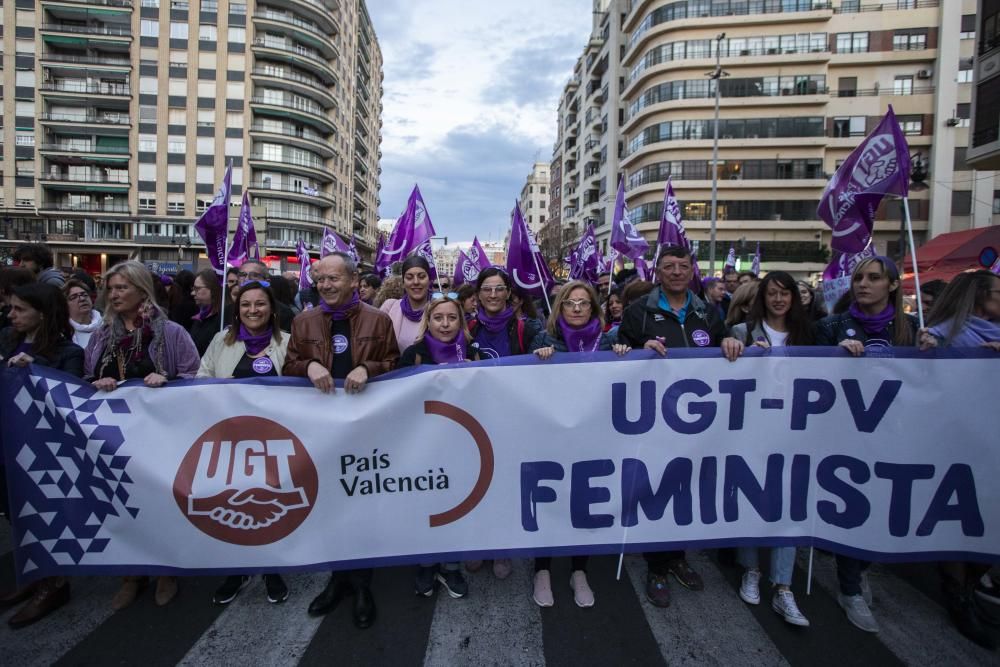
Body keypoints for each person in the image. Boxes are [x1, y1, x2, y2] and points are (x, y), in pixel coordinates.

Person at [813, 256, 934, 634]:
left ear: (893, 286)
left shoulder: (914, 329)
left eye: (874, 278)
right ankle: (850, 588)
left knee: (884, 505)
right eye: (859, 278)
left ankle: (860, 566)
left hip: (896, 435)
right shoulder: (830, 327)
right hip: (845, 436)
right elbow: (809, 380)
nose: (863, 284)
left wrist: (937, 352)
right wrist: (835, 357)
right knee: (855, 507)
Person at [283, 252, 398, 628]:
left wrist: (368, 367)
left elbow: (395, 364)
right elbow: (288, 368)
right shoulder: (303, 322)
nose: (326, 286)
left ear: (352, 280)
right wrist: (307, 365)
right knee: (329, 503)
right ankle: (338, 577)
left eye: (334, 278)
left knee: (362, 503)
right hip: (323, 431)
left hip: (367, 429)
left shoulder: (378, 320)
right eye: (321, 280)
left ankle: (362, 582)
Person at [83, 260, 200, 610]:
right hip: (117, 437)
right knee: (122, 503)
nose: (113, 294)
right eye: (110, 288)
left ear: (141, 291)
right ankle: (131, 575)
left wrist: (169, 382)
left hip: (162, 439)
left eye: (121, 288)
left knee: (161, 503)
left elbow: (195, 377)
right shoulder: (102, 334)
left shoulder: (173, 333)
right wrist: (97, 383)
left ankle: (166, 570)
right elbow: (85, 378)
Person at [617, 245, 726, 607]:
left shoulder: (708, 313)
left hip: (698, 424)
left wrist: (731, 342)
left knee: (687, 489)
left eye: (683, 266)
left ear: (692, 270)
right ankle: (657, 567)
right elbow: (616, 358)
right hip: (652, 422)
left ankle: (678, 556)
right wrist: (635, 350)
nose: (677, 272)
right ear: (657, 273)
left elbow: (724, 355)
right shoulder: (638, 313)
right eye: (669, 267)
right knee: (657, 489)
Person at [528, 280, 631, 607]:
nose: (575, 308)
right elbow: (525, 386)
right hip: (550, 436)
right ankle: (542, 570)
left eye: (583, 303)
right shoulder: (544, 339)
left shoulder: (609, 340)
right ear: (560, 306)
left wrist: (624, 355)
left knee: (585, 502)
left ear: (593, 308)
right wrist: (537, 360)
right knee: (549, 501)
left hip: (594, 438)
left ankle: (578, 571)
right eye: (569, 303)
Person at [721, 271, 814, 627]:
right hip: (754, 431)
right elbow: (728, 367)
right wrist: (735, 351)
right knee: (752, 500)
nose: (779, 299)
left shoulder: (810, 335)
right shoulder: (743, 333)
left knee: (788, 505)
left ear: (794, 298)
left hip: (795, 430)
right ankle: (751, 569)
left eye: (785, 293)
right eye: (772, 293)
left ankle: (784, 585)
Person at [198, 280, 291, 605]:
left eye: (260, 304)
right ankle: (236, 570)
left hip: (273, 442)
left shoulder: (288, 343)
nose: (253, 310)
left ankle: (271, 568)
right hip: (230, 441)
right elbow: (201, 379)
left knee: (269, 505)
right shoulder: (220, 342)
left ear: (272, 309)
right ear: (237, 311)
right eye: (246, 305)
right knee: (231, 504)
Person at [0, 281, 84, 628]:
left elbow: (71, 404)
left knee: (46, 511)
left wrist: (34, 371)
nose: (11, 314)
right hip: (8, 446)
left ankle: (54, 584)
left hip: (45, 452)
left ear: (42, 313)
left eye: (20, 309)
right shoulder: (7, 340)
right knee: (15, 511)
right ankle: (34, 573)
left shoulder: (67, 353)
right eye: (11, 308)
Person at [924, 270, 1000, 648]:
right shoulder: (942, 334)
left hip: (991, 443)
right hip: (953, 442)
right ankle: (958, 592)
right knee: (958, 519)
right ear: (979, 296)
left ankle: (970, 584)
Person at [397, 295, 479, 600]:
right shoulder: (413, 355)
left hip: (463, 445)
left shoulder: (473, 353)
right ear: (427, 321)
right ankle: (426, 563)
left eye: (452, 318)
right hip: (424, 447)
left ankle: (451, 565)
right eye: (438, 318)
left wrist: (478, 376)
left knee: (458, 504)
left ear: (461, 321)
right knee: (426, 506)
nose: (445, 324)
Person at [465, 267, 541, 578]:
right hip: (475, 419)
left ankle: (502, 547)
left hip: (512, 421)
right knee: (476, 483)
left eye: (499, 289)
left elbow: (545, 366)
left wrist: (544, 353)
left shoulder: (527, 328)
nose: (493, 295)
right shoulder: (466, 327)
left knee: (507, 483)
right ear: (478, 294)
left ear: (509, 292)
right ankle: (478, 542)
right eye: (487, 289)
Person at [380, 255, 432, 353]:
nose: (416, 282)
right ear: (403, 282)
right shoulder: (389, 307)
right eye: (409, 277)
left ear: (429, 280)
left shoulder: (440, 308)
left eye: (421, 277)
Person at [237, 260, 294, 330]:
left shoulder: (284, 313)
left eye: (254, 275)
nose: (247, 279)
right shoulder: (225, 311)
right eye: (242, 275)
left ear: (267, 281)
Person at [189, 269, 223, 356]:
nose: (193, 293)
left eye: (197, 289)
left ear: (213, 289)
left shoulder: (222, 319)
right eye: (193, 289)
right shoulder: (200, 317)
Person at [63, 278, 102, 349]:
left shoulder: (107, 325)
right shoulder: (64, 332)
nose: (82, 299)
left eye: (84, 295)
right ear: (65, 305)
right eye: (74, 297)